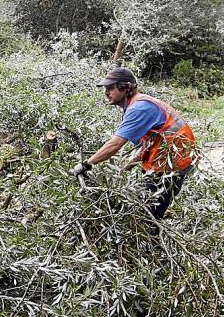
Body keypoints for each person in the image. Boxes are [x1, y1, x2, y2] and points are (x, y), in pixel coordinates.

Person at [71, 67, 197, 219]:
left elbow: (115, 144)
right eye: (105, 88)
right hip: (164, 160)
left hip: (171, 166)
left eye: (111, 88)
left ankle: (153, 238)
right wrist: (125, 167)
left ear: (126, 88)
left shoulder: (139, 108)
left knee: (148, 217)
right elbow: (148, 142)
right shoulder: (136, 105)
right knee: (143, 208)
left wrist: (86, 164)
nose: (106, 93)